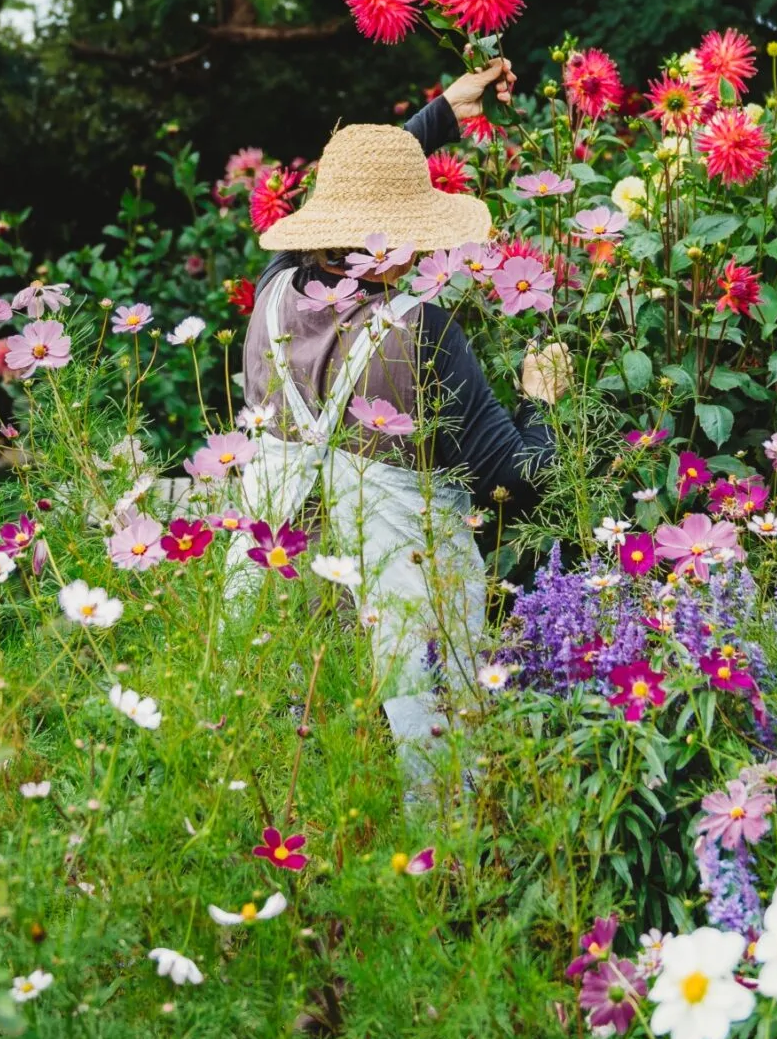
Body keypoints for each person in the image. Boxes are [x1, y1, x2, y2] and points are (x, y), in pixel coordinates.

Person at [238, 61, 568, 788]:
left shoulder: (270, 297)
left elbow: (337, 220)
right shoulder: (419, 328)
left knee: (295, 778)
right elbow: (514, 482)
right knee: (435, 784)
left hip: (282, 593)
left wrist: (445, 110)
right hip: (404, 601)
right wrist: (541, 401)